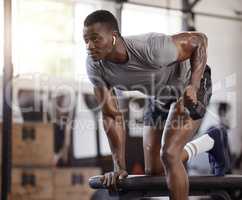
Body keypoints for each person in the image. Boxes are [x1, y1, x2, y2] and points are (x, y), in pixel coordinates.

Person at [83, 10, 214, 200]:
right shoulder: (95, 66)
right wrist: (119, 168)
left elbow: (200, 41)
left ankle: (197, 145)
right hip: (159, 96)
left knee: (169, 154)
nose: (89, 46)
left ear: (113, 37)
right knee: (154, 170)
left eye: (95, 39)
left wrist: (193, 85)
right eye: (85, 40)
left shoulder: (151, 48)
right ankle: (208, 142)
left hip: (190, 86)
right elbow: (112, 116)